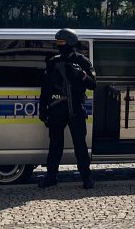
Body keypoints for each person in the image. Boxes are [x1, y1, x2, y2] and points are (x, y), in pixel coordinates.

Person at [38, 28, 97, 189]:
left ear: (71, 43)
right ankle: (51, 177)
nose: (59, 46)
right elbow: (45, 88)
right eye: (57, 43)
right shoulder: (53, 62)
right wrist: (42, 109)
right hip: (56, 108)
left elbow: (94, 84)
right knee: (55, 145)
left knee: (80, 145)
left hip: (76, 109)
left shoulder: (83, 61)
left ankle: (86, 177)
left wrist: (82, 75)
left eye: (62, 43)